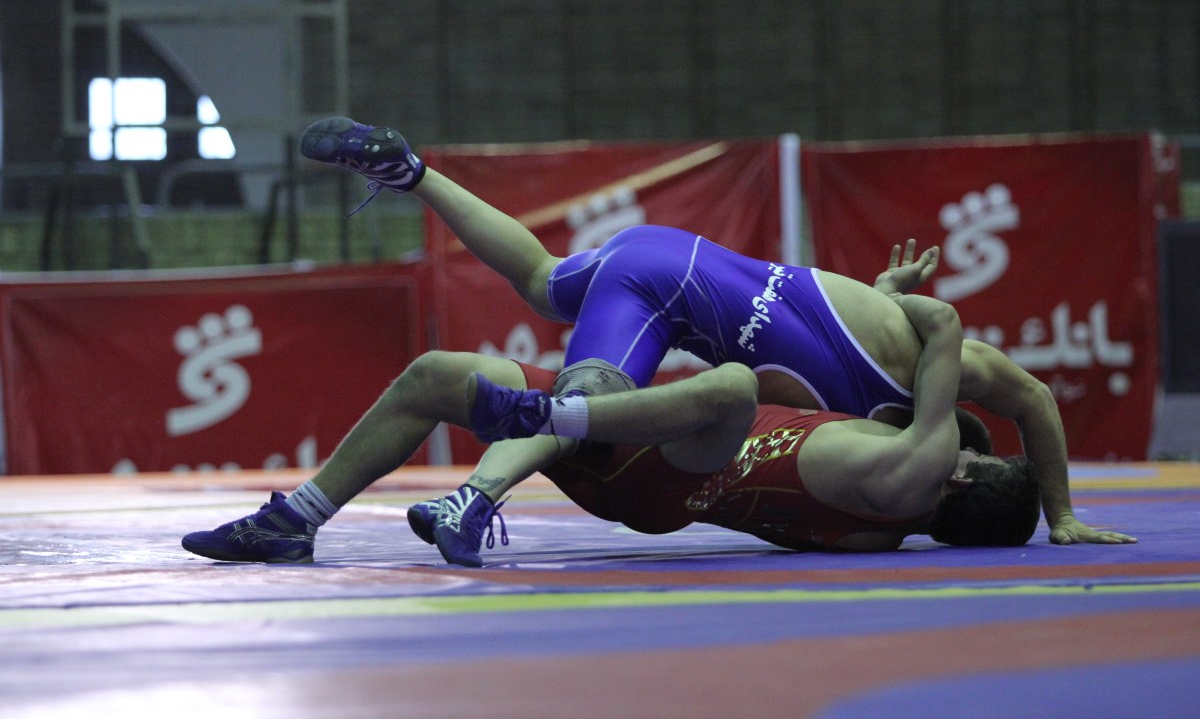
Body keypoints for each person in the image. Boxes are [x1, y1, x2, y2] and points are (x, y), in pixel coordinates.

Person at [295, 117, 1135, 547]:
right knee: (584, 403)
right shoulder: (927, 400)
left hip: (675, 260)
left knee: (545, 282)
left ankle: (415, 174)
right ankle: (478, 494)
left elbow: (1010, 393)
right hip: (668, 293)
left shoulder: (899, 365)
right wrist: (1059, 515)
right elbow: (1027, 394)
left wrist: (888, 296)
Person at [182, 292, 1039, 566]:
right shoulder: (889, 494)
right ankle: (298, 518)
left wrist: (889, 306)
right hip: (646, 463)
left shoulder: (912, 475)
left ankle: (526, 444)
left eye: (969, 453)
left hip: (673, 472)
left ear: (963, 473)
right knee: (434, 377)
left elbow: (943, 324)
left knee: (732, 385)